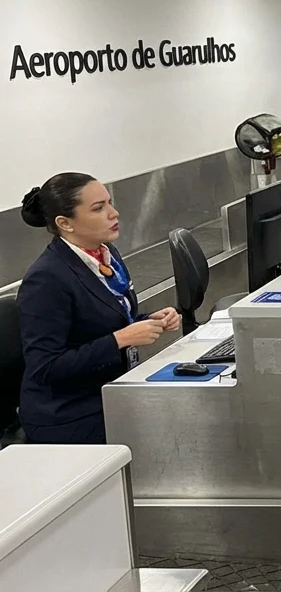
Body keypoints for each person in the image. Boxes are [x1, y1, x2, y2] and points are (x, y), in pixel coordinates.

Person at [16, 173, 181, 444]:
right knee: (167, 434)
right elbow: (45, 366)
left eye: (110, 203)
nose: (113, 213)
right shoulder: (46, 279)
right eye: (98, 208)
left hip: (110, 390)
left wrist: (147, 320)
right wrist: (122, 339)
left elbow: (104, 321)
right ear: (65, 223)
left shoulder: (106, 254)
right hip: (69, 413)